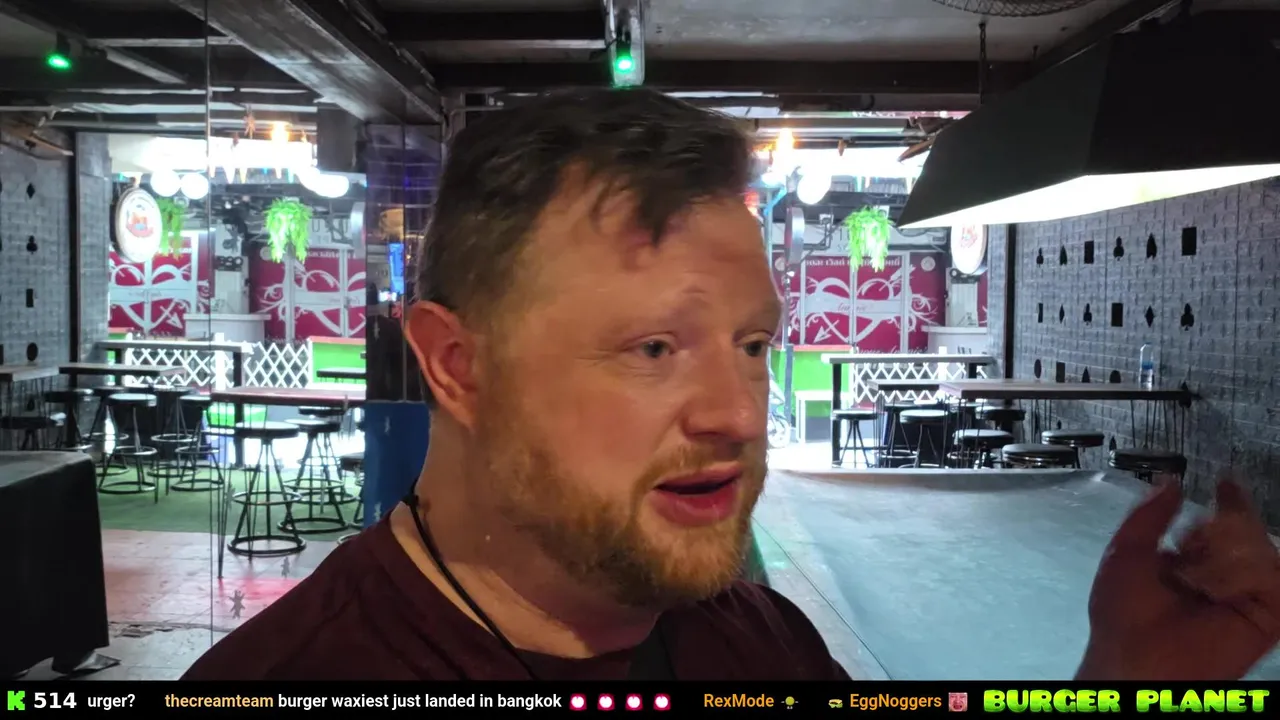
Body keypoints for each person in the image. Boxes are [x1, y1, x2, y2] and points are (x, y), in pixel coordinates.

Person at [183, 88, 1280, 681]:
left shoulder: (760, 638)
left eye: (753, 346)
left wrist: (1126, 683)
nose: (736, 414)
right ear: (459, 366)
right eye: (653, 348)